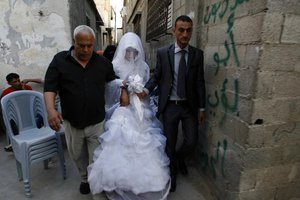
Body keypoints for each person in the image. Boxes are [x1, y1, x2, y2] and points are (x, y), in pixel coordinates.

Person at [88, 32, 170, 200]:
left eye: (134, 50)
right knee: (120, 138)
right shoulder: (115, 65)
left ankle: (147, 183)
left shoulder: (144, 66)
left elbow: (148, 85)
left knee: (145, 142)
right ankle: (119, 183)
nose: (131, 53)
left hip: (140, 106)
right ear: (123, 49)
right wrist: (123, 87)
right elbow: (109, 85)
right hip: (122, 107)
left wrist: (140, 91)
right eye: (128, 49)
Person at [137, 15, 206, 192]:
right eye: (181, 30)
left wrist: (201, 107)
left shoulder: (197, 55)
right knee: (170, 142)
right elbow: (157, 75)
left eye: (188, 30)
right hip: (170, 106)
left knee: (191, 141)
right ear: (174, 31)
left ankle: (177, 158)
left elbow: (200, 82)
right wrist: (145, 90)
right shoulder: (163, 53)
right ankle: (172, 172)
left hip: (189, 107)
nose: (185, 34)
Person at [43, 25, 116, 195]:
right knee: (76, 156)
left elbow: (114, 83)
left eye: (89, 45)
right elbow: (50, 87)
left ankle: (96, 186)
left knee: (96, 158)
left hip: (97, 121)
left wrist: (126, 91)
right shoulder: (59, 61)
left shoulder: (103, 63)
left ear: (93, 43)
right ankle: (84, 178)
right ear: (73, 42)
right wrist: (51, 110)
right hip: (72, 122)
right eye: (81, 45)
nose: (85, 49)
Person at [1, 73, 43, 152]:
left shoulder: (27, 88)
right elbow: (7, 108)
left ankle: (19, 142)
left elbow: (32, 103)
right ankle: (19, 140)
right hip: (16, 114)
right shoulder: (6, 93)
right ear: (9, 83)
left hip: (30, 113)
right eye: (14, 82)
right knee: (10, 121)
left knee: (41, 116)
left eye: (18, 80)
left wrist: (24, 91)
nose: (18, 83)